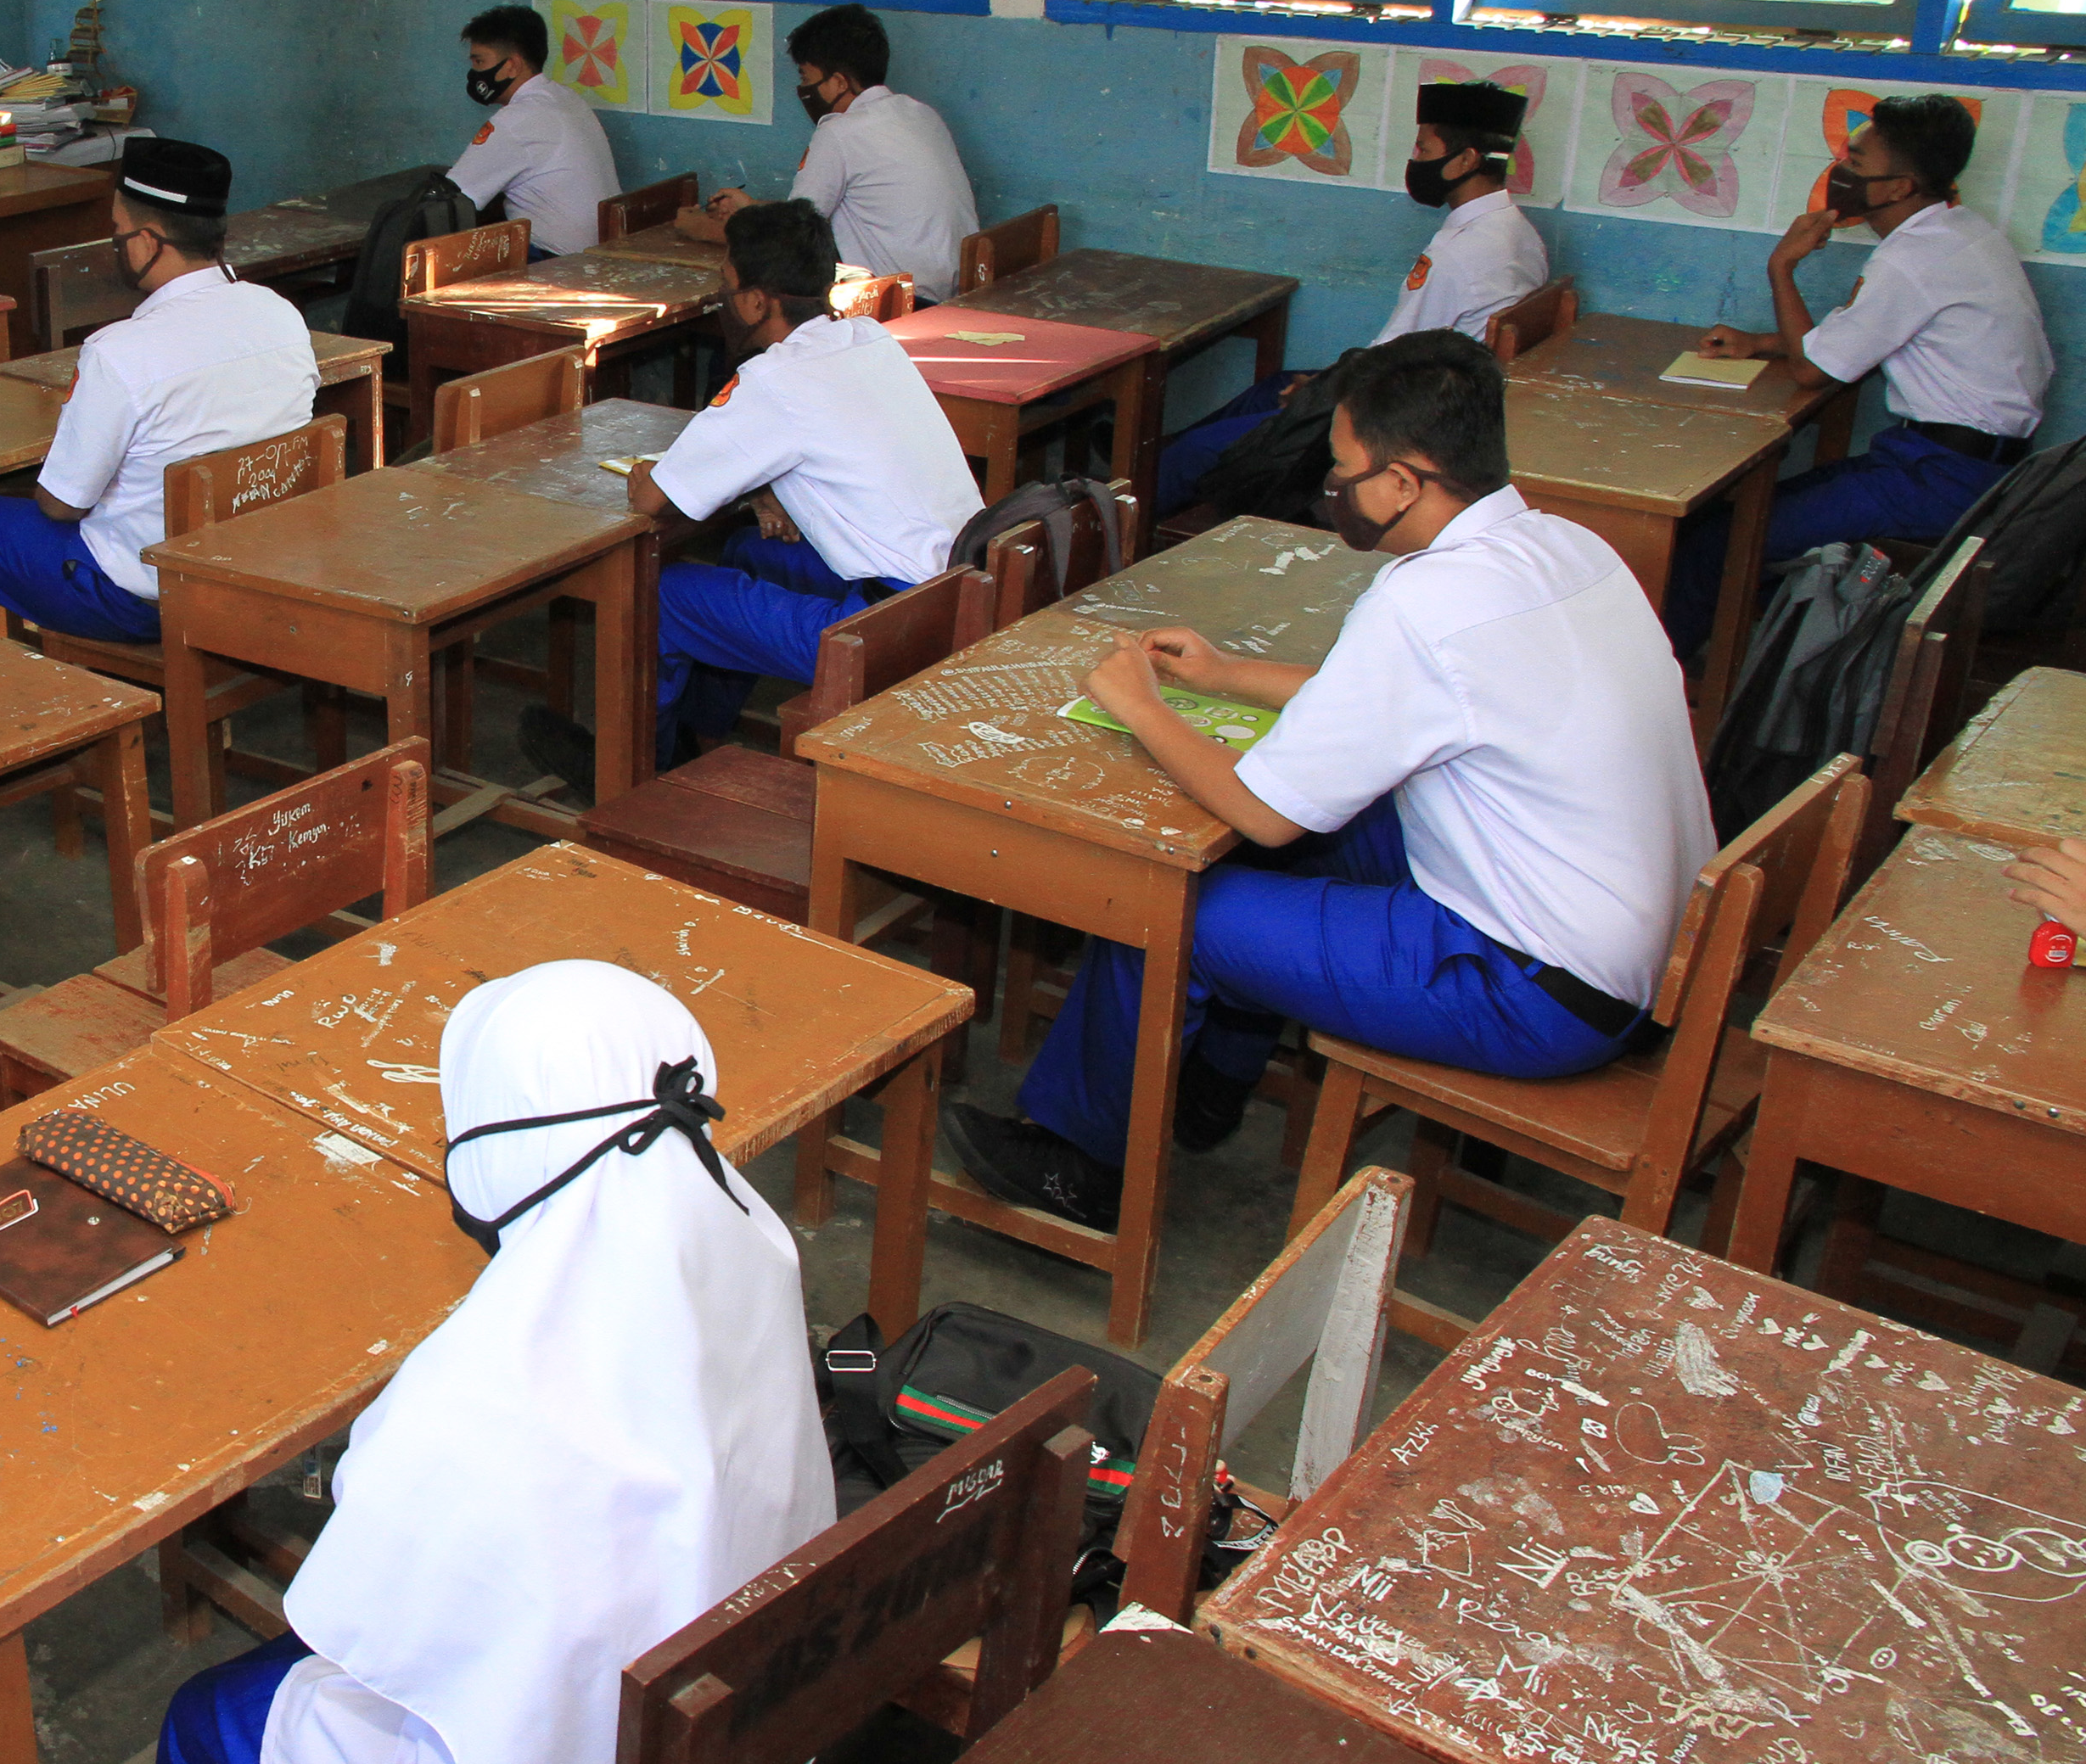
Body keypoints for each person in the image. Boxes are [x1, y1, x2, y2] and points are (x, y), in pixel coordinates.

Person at [945, 333, 1713, 1231]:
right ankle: (1207, 1088)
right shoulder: (1563, 548)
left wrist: (1142, 708)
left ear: (1404, 481)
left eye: (1344, 471)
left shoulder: (1419, 602)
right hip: (1635, 944)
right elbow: (1424, 700)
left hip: (1533, 988)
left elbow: (1263, 814)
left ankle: (1081, 1169)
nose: (1333, 488)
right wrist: (1229, 673)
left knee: (1157, 903)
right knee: (1328, 837)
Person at [154, 960, 833, 1764]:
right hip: (724, 1672)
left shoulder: (487, 1395)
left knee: (206, 1710)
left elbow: (380, 1553)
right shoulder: (756, 1248)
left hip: (556, 1732)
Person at [518, 199, 979, 783]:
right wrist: (770, 488)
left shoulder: (772, 379)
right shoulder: (866, 336)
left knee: (663, 594)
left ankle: (631, 775)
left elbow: (656, 500)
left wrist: (646, 479)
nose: (722, 300)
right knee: (746, 552)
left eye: (726, 284)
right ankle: (701, 736)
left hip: (888, 628)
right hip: (955, 592)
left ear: (758, 301)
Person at [1663, 95, 2054, 654]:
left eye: (1857, 161)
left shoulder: (1911, 258)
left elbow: (1813, 370)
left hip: (1938, 479)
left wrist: (1782, 266)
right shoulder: (1962, 232)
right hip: (1954, 464)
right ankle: (1741, 660)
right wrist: (1760, 344)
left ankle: (1664, 676)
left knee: (1725, 540)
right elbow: (1862, 337)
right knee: (1741, 513)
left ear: (1899, 186)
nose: (1841, 171)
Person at [0, 137, 316, 644]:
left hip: (140, 598)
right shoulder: (280, 315)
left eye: (117, 232)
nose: (116, 245)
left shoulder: (120, 352)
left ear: (149, 242)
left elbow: (62, 506)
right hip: (255, 572)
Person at [1156, 81, 1544, 516]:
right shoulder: (1519, 232)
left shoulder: (1458, 254)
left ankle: (1126, 516)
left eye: (1423, 149)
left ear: (1467, 160)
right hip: (1442, 386)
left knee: (1198, 452)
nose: (1415, 161)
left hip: (1406, 409)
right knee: (1270, 386)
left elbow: (1394, 355)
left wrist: (1322, 392)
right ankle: (1153, 452)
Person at [694, 3, 978, 304]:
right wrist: (751, 208)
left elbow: (791, 237)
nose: (803, 89)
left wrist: (701, 228)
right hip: (954, 297)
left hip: (901, 305)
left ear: (840, 82)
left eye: (806, 78)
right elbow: (811, 211)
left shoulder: (839, 133)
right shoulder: (920, 114)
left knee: (756, 308)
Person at [446, 4, 619, 260]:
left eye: (480, 61)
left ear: (512, 65)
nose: (475, 73)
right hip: (600, 255)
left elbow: (455, 194)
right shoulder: (565, 98)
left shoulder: (516, 120)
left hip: (556, 264)